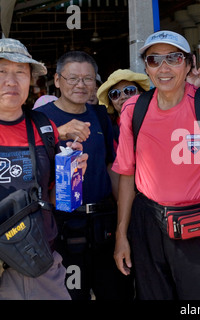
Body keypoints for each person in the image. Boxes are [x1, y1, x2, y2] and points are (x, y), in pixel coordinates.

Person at [112, 30, 200, 300]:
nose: (164, 68)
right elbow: (126, 176)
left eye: (173, 58)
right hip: (146, 224)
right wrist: (121, 235)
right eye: (154, 60)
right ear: (146, 68)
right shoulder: (133, 109)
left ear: (189, 63)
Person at [38, 51, 133, 300]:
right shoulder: (40, 120)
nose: (80, 85)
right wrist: (57, 134)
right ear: (57, 80)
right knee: (71, 295)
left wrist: (125, 223)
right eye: (72, 78)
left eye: (88, 79)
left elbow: (111, 168)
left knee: (115, 292)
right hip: (62, 225)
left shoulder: (100, 116)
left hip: (104, 224)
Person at [0, 38, 87, 300]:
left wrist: (71, 178)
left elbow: (50, 200)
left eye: (20, 72)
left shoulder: (42, 127)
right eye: (2, 71)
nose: (11, 81)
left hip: (39, 262)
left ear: (30, 79)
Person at [97, 69, 151, 152]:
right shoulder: (108, 129)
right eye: (115, 94)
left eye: (129, 90)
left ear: (140, 93)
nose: (123, 97)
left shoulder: (155, 119)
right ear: (111, 102)